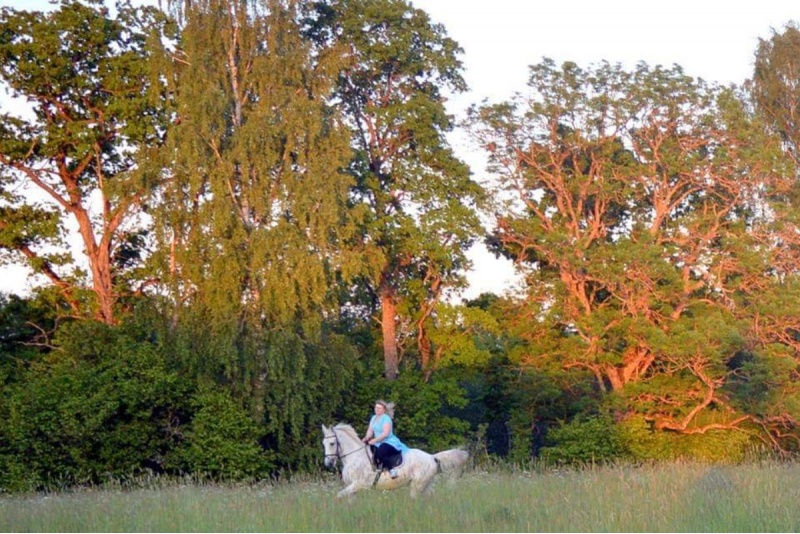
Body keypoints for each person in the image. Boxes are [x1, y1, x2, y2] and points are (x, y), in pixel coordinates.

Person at [362, 400, 408, 478]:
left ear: (384, 410)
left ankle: (392, 470)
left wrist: (374, 440)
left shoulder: (386, 419)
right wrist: (366, 438)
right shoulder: (373, 418)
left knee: (380, 453)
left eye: (379, 408)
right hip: (378, 442)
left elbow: (385, 434)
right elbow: (370, 430)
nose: (376, 409)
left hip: (388, 441)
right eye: (376, 408)